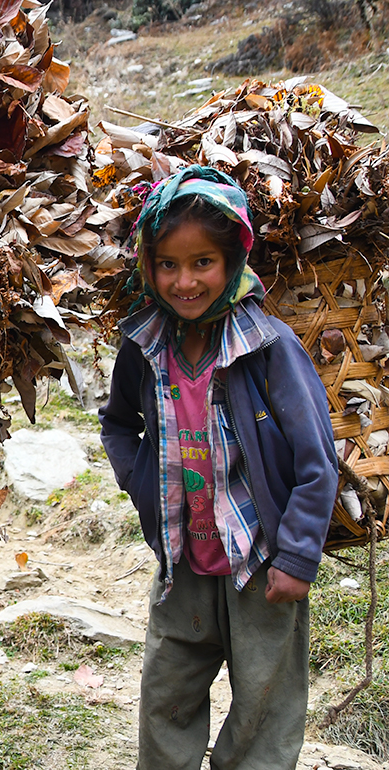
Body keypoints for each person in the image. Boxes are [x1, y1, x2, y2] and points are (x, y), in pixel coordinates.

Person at [98, 166, 338, 770]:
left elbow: (317, 460)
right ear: (148, 267)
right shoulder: (145, 345)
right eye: (168, 265)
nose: (184, 281)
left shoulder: (268, 347)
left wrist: (297, 556)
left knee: (264, 706)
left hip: (261, 565)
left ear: (233, 262)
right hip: (183, 564)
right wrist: (140, 486)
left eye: (202, 262)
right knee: (166, 701)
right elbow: (118, 424)